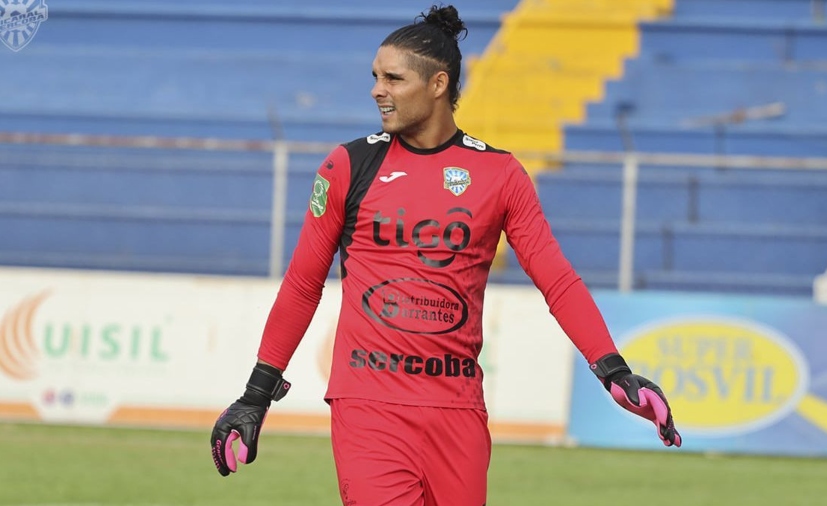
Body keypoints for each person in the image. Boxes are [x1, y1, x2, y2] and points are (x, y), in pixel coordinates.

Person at [210, 4, 681, 505]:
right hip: (370, 405)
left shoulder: (501, 175)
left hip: (459, 410)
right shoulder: (347, 166)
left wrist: (612, 370)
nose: (377, 89)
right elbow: (303, 284)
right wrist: (256, 394)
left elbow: (557, 280)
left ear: (438, 84)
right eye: (375, 77)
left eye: (393, 78)